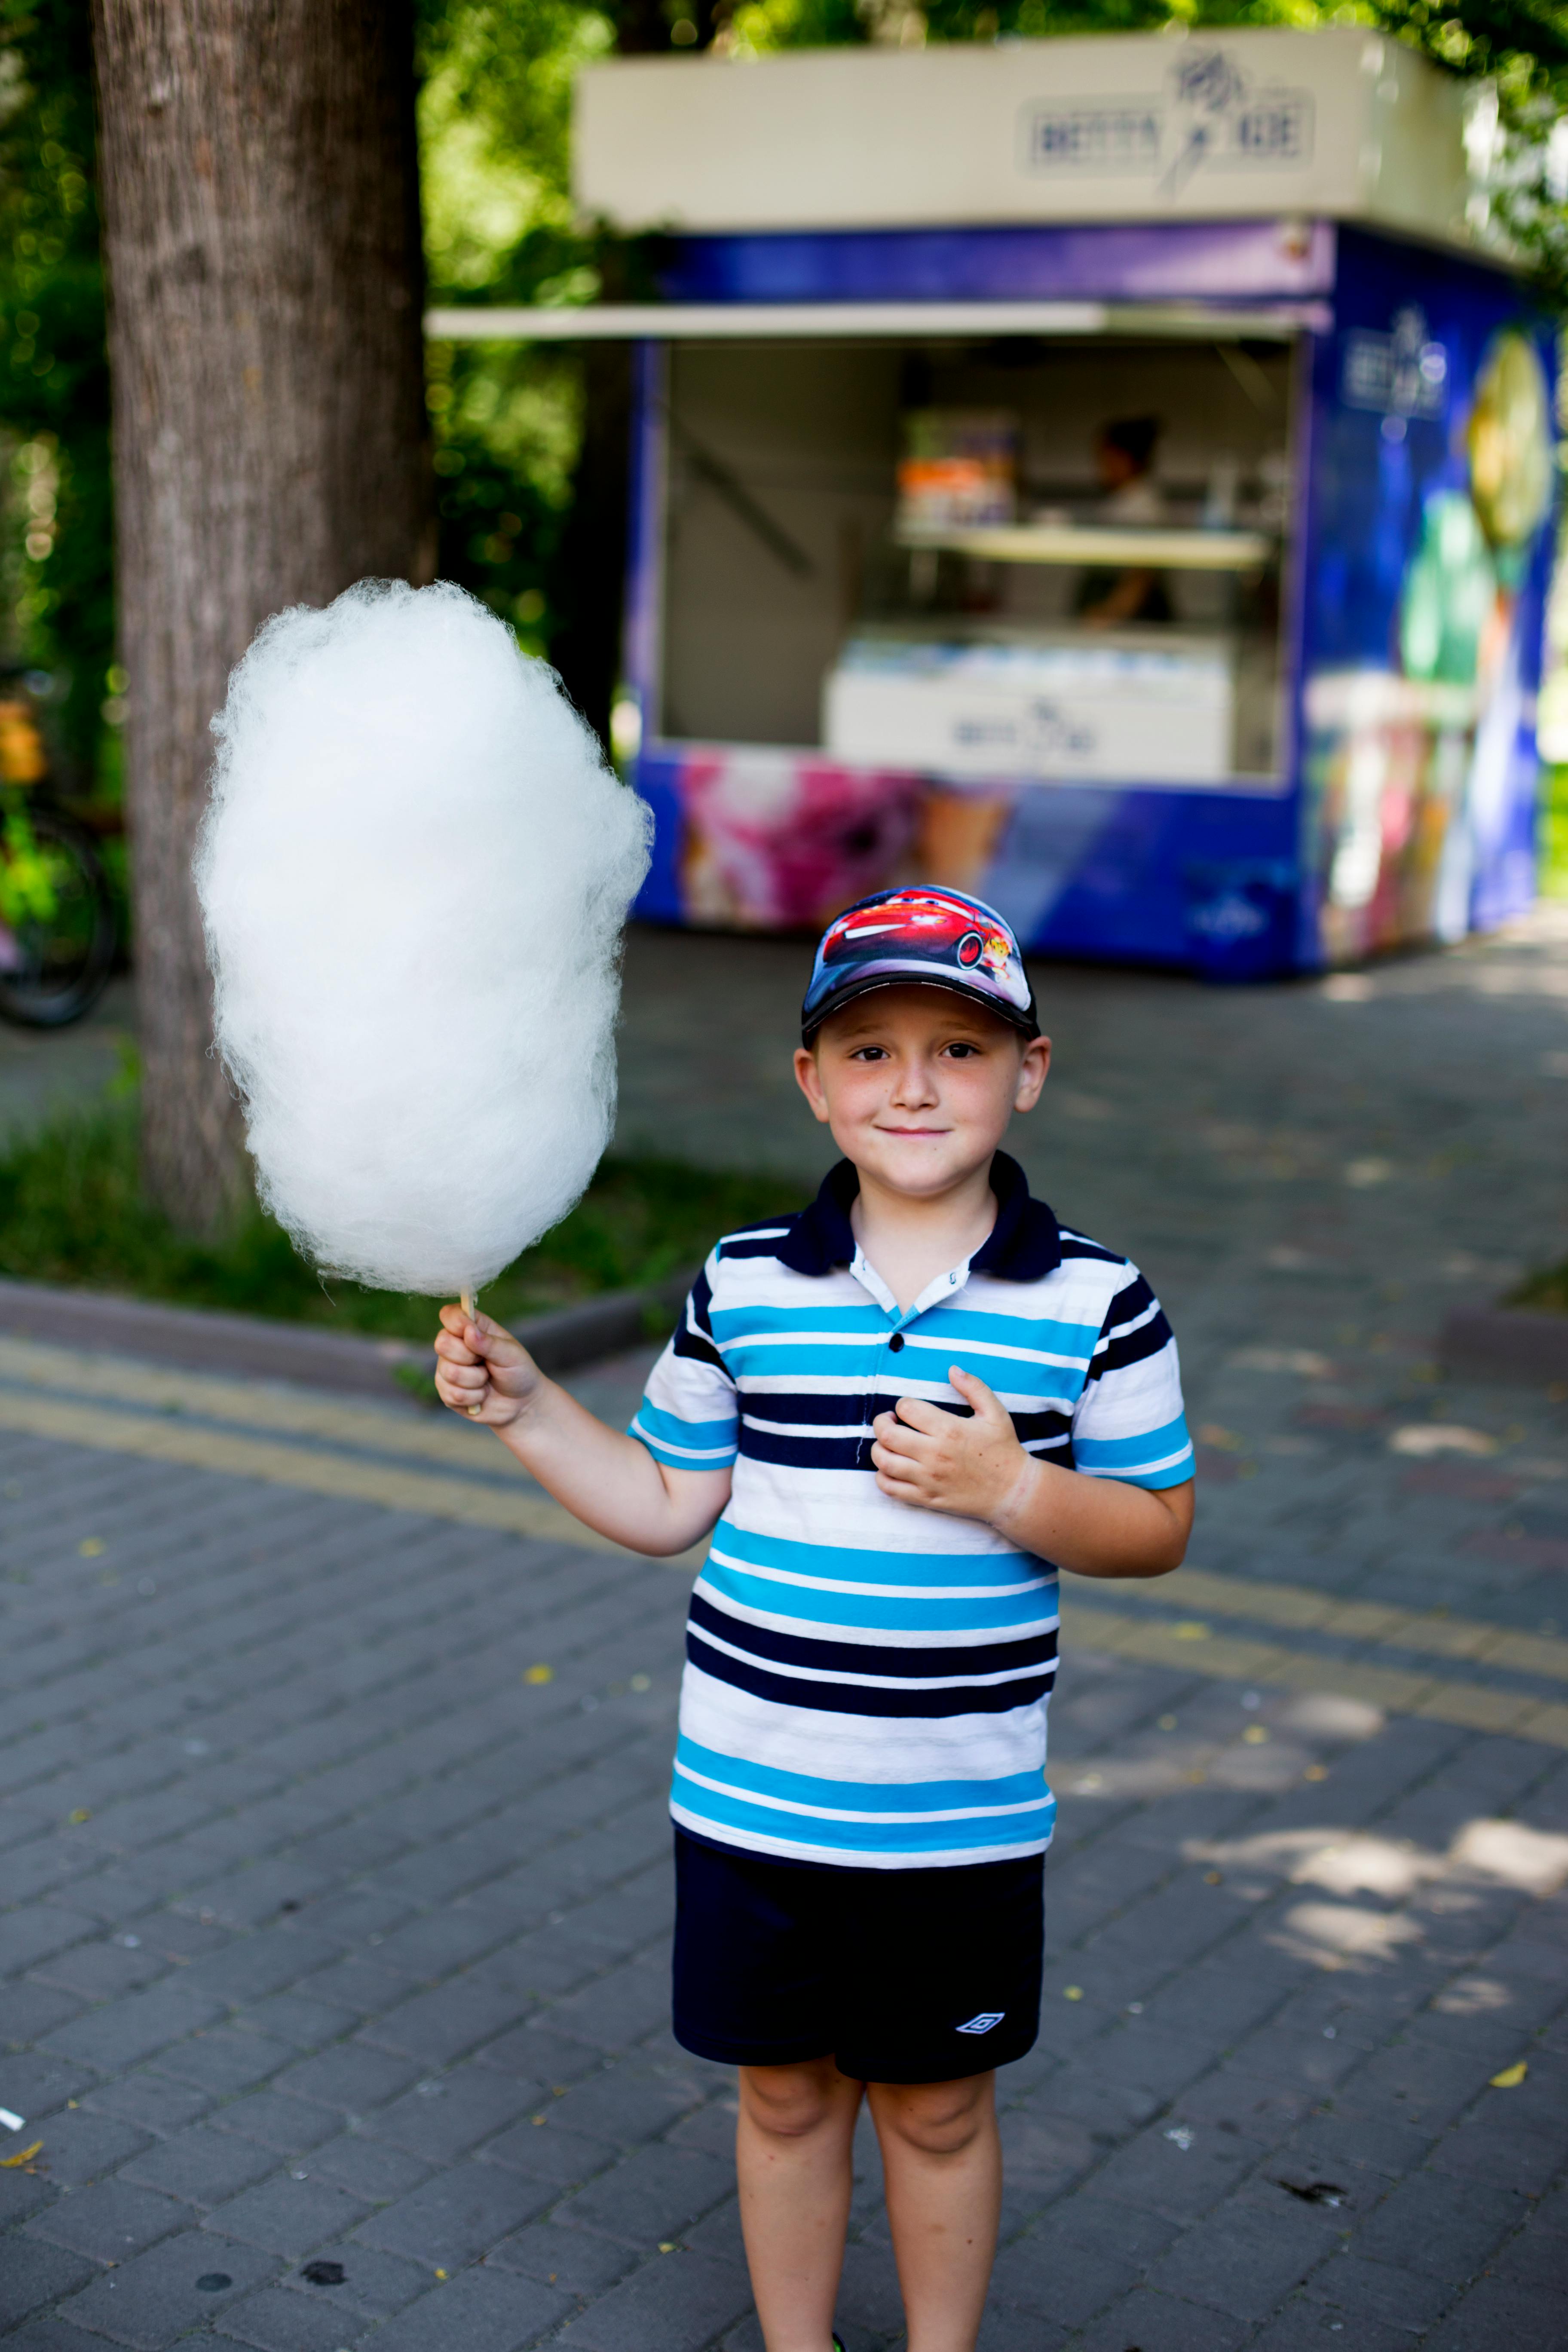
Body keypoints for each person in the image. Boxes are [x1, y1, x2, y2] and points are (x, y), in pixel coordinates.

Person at [433, 884, 1195, 2352]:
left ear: (1026, 1071)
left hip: (953, 1825)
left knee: (934, 2108)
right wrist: (528, 1408)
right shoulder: (743, 1280)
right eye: (867, 1050)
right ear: (810, 1081)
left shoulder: (1097, 1299)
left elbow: (1156, 1527)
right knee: (780, 2095)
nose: (911, 1084)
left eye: (958, 1049)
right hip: (750, 1801)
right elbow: (665, 1499)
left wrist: (1012, 1491)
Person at [1076, 414, 1173, 628]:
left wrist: (1108, 614)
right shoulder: (1121, 501)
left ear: (1123, 459)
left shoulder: (1146, 508)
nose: (1099, 467)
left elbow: (1142, 575)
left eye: (1103, 458)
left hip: (1137, 623)